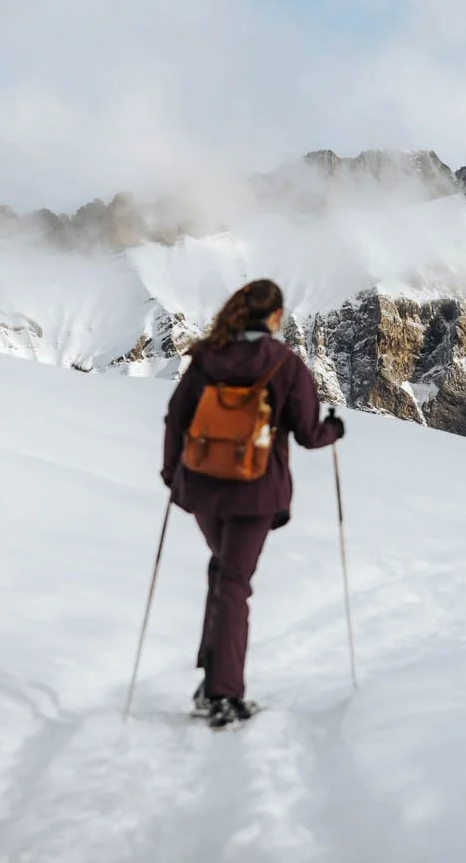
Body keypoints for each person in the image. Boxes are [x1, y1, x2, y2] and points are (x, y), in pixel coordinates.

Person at [161, 279, 344, 729]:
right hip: (255, 493)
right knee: (234, 583)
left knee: (223, 571)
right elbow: (308, 434)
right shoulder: (285, 364)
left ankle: (211, 677)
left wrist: (173, 474)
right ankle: (223, 694)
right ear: (275, 316)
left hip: (203, 488)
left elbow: (176, 418)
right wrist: (334, 430)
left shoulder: (207, 358)